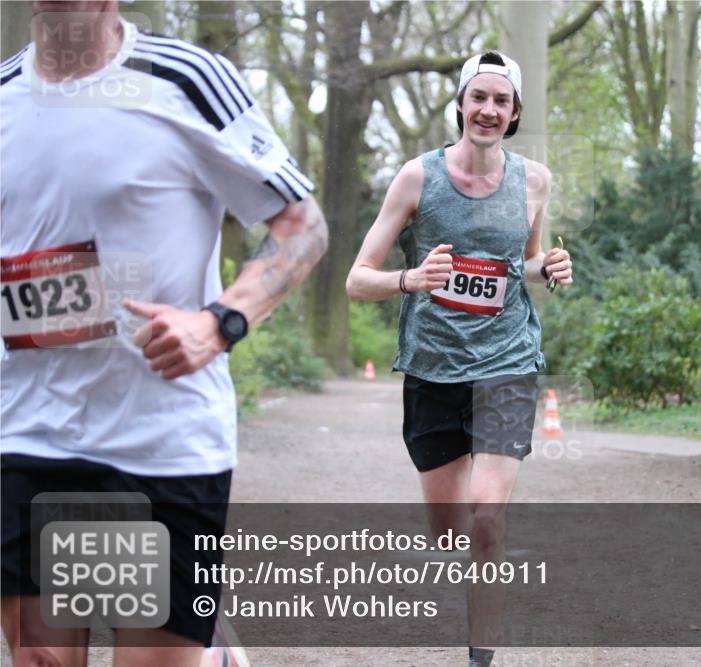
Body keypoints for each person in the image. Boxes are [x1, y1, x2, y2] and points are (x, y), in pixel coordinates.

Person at [0, 3, 327, 666]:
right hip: (26, 431)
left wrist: (219, 321)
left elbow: (304, 224)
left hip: (158, 440)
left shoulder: (186, 78)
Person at [346, 50, 572, 666]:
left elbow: (519, 266)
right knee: (450, 531)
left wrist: (547, 267)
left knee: (487, 521)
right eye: (479, 97)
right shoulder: (417, 178)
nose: (489, 110)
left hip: (507, 362)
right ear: (461, 105)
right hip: (433, 368)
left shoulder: (535, 180)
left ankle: (480, 658)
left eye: (502, 101)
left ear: (516, 112)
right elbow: (357, 278)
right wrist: (411, 279)